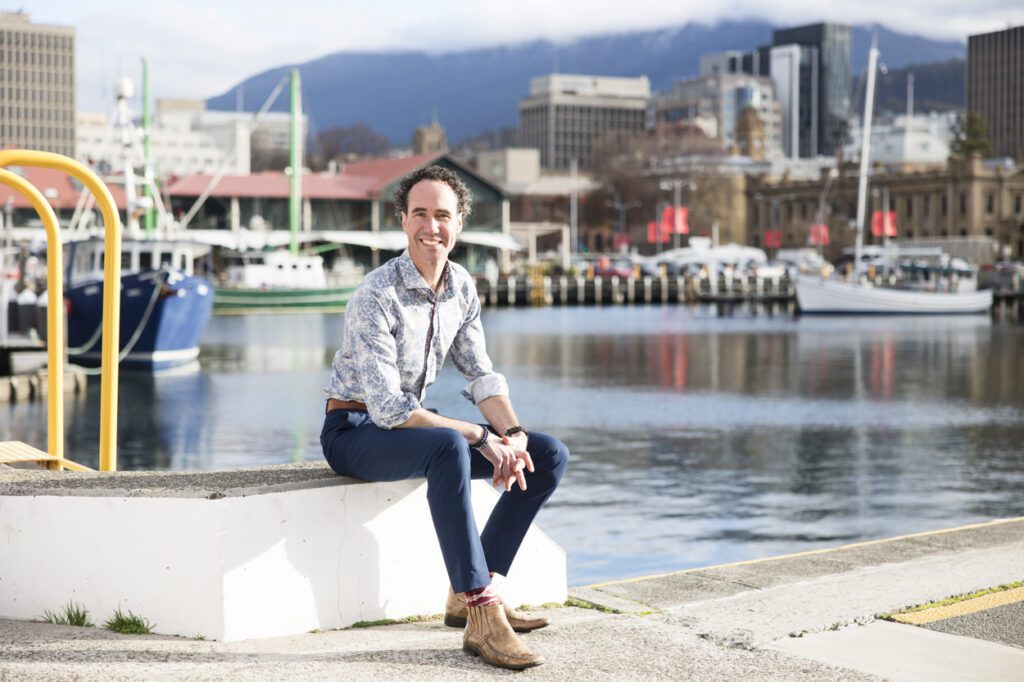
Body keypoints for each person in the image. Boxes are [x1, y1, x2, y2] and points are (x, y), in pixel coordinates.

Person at [320, 165, 569, 671]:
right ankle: (482, 613)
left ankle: (471, 589)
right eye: (419, 214)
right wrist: (482, 436)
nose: (430, 226)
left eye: (442, 215)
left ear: (458, 224)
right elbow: (388, 409)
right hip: (354, 432)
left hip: (410, 426)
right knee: (450, 445)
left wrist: (513, 434)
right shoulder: (376, 295)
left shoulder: (462, 287)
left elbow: (480, 374)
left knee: (545, 455)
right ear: (403, 221)